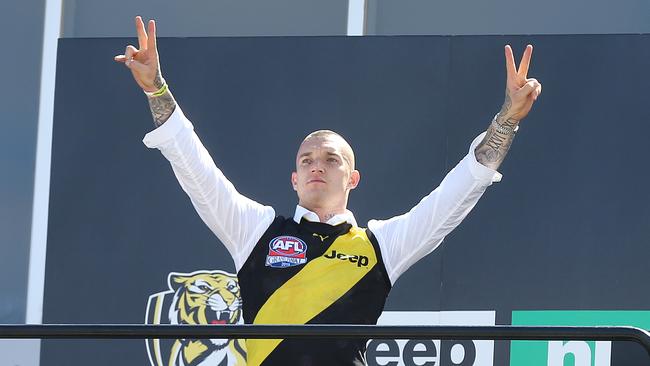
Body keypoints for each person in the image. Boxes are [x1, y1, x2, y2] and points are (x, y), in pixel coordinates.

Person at [115, 16, 542, 366]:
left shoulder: (380, 245)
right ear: (294, 180)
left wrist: (507, 120)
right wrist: (157, 88)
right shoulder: (255, 231)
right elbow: (195, 169)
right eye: (306, 160)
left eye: (331, 159)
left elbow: (457, 194)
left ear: (353, 179)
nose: (317, 165)